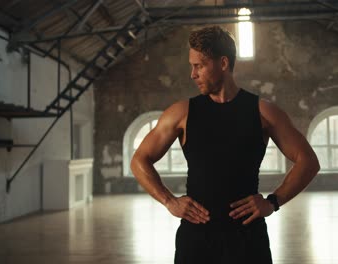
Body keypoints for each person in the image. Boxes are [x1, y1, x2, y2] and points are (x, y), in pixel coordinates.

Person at [130, 25, 320, 264]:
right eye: (192, 66)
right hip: (197, 238)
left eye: (199, 65)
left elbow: (308, 161)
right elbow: (139, 159)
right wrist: (169, 201)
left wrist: (273, 202)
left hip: (248, 237)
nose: (193, 74)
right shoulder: (181, 113)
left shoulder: (263, 112)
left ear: (223, 63)